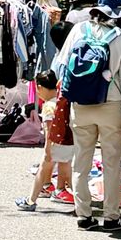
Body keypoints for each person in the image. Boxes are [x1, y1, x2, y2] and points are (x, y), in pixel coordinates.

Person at [55, 0, 121, 233]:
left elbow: (62, 66)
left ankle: (84, 215)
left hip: (80, 105)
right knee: (112, 162)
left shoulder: (78, 30)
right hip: (110, 104)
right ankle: (112, 216)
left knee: (81, 161)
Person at [15, 69, 74, 211]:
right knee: (68, 172)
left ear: (40, 88)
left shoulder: (48, 106)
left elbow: (48, 130)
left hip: (54, 144)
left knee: (42, 171)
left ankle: (31, 200)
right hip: (67, 142)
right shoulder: (62, 100)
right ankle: (81, 200)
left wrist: (47, 149)